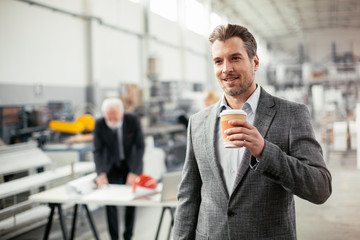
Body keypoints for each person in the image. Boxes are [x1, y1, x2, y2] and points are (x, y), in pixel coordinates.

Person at [173, 24, 332, 240]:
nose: (226, 68)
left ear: (255, 62)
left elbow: (320, 188)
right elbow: (188, 197)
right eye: (218, 61)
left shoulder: (291, 115)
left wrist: (265, 152)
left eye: (235, 58)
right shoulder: (198, 123)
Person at [93, 98, 145, 240]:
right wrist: (101, 173)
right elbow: (97, 150)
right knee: (110, 201)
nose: (112, 120)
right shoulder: (99, 124)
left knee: (132, 200)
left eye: (115, 116)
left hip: (131, 164)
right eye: (109, 117)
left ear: (122, 113)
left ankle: (128, 236)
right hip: (111, 165)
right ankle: (114, 237)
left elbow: (140, 146)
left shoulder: (132, 120)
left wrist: (134, 172)